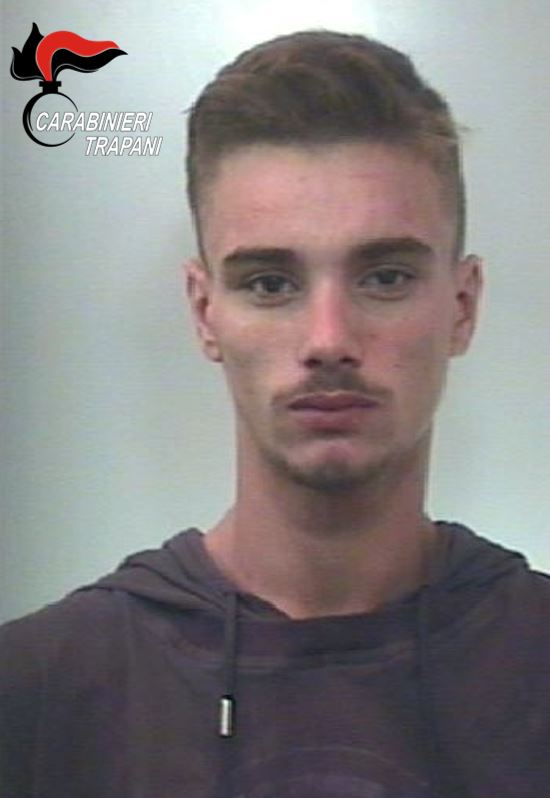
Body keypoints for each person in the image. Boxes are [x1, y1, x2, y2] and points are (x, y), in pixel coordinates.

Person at [1, 29, 548, 798]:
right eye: (269, 283)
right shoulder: (38, 692)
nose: (328, 340)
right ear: (205, 313)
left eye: (385, 277)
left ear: (461, 307)